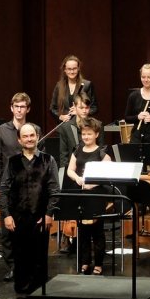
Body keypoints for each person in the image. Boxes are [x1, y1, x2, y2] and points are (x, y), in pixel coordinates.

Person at [0, 122, 60, 299]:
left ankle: (39, 294)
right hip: (17, 218)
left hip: (40, 217)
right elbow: (4, 190)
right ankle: (22, 293)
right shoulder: (12, 161)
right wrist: (6, 215)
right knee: (20, 256)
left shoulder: (48, 160)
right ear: (19, 139)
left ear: (37, 136)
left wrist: (49, 213)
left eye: (32, 135)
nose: (29, 139)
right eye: (25, 136)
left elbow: (54, 189)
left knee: (39, 256)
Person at [0, 93, 33, 280]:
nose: (19, 110)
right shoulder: (2, 130)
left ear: (28, 109)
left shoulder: (34, 130)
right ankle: (13, 266)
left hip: (29, 188)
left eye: (23, 106)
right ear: (11, 108)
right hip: (8, 187)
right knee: (7, 231)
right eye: (16, 106)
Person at [65, 117, 111, 275]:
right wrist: (76, 178)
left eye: (89, 134)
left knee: (97, 231)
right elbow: (70, 170)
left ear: (96, 134)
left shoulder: (102, 153)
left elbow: (108, 175)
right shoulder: (77, 150)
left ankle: (98, 263)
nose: (85, 137)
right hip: (81, 194)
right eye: (83, 134)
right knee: (83, 230)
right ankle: (85, 261)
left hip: (96, 195)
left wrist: (94, 183)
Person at [57, 94, 95, 254]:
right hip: (73, 174)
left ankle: (91, 241)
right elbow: (63, 155)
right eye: (81, 107)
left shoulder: (96, 125)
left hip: (92, 173)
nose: (85, 111)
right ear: (74, 107)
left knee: (91, 208)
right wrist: (73, 174)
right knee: (71, 203)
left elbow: (102, 150)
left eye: (87, 107)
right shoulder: (66, 127)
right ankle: (70, 239)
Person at [50, 55, 97, 123]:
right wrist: (60, 116)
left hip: (82, 124)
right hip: (65, 125)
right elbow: (52, 108)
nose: (72, 72)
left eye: (74, 68)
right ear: (64, 70)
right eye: (69, 69)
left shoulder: (87, 85)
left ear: (78, 69)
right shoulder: (59, 86)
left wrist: (80, 112)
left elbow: (94, 108)